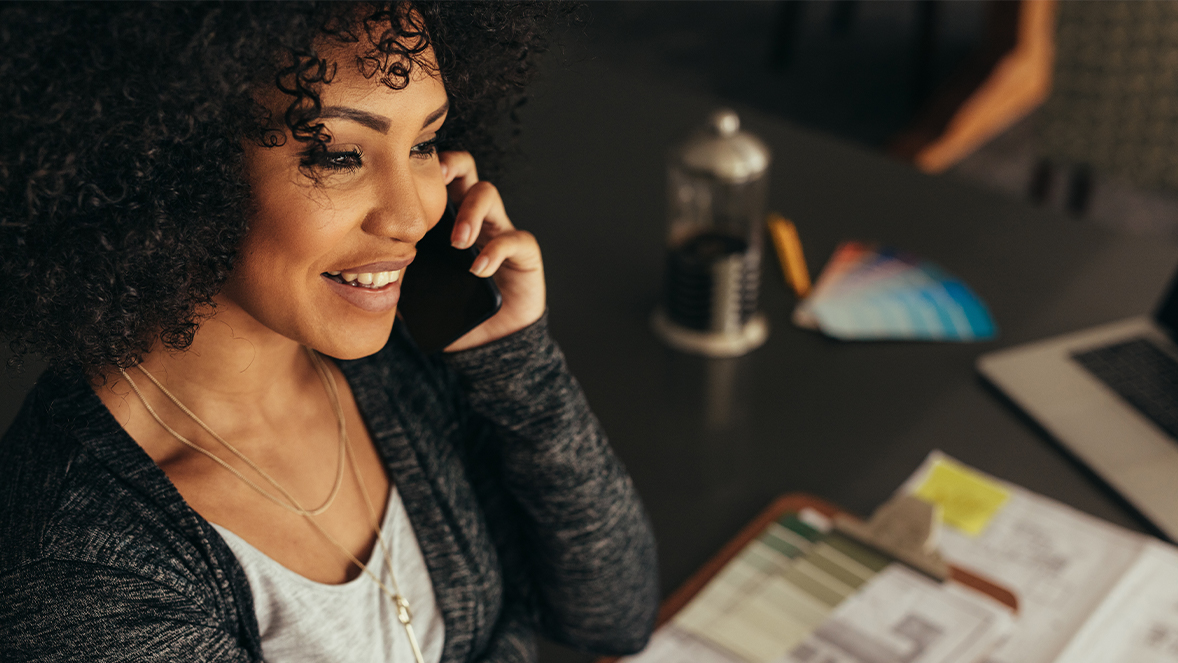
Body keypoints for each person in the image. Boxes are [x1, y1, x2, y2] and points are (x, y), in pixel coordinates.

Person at [0, 3, 659, 662]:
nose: (412, 215)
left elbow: (613, 615)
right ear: (171, 165)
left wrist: (515, 363)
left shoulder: (398, 358)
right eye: (340, 155)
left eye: (424, 144)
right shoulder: (82, 572)